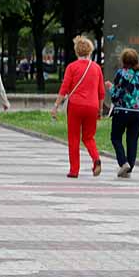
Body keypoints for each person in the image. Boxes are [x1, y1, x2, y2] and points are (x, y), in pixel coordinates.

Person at [51, 36, 104, 178]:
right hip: (92, 106)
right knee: (89, 137)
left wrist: (56, 106)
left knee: (73, 137)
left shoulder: (71, 67)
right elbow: (101, 92)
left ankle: (74, 170)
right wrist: (99, 110)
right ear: (90, 51)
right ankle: (96, 159)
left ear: (76, 51)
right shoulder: (97, 68)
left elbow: (64, 88)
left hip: (75, 106)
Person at [105, 48, 139, 178]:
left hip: (123, 111)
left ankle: (123, 163)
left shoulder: (121, 73)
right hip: (138, 111)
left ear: (123, 60)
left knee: (116, 137)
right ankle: (129, 168)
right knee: (132, 139)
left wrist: (110, 87)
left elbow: (116, 94)